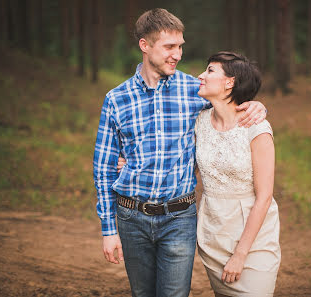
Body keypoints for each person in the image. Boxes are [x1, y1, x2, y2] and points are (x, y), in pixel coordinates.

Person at [92, 8, 268, 297]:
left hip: (179, 217)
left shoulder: (195, 90)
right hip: (131, 217)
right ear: (145, 46)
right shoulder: (116, 99)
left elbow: (231, 109)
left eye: (180, 46)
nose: (177, 54)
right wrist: (108, 230)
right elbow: (103, 169)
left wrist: (257, 105)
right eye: (169, 47)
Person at [194, 52, 281, 297]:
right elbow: (181, 165)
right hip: (213, 232)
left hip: (252, 237)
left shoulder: (256, 127)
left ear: (230, 82)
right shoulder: (200, 121)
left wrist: (241, 254)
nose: (201, 75)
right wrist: (132, 163)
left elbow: (264, 197)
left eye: (210, 70)